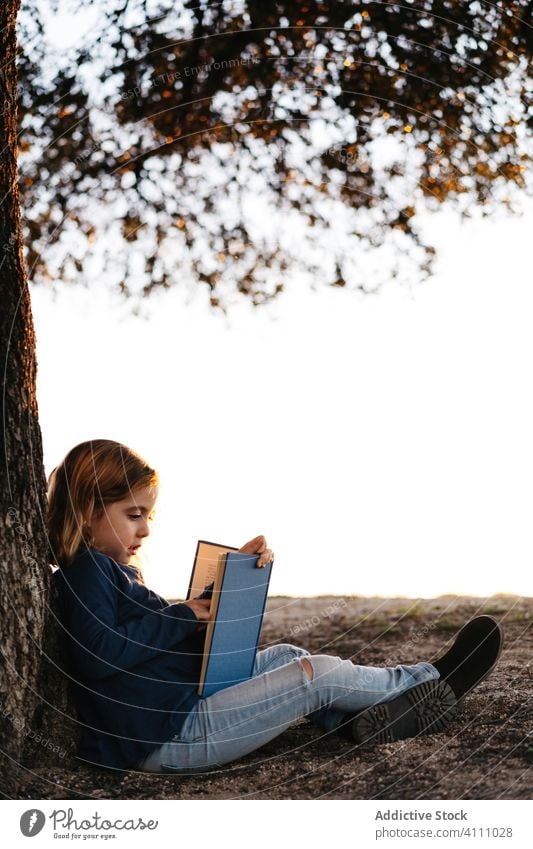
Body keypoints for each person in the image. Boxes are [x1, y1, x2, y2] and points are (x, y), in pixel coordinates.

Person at [48, 439, 503, 774]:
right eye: (134, 514)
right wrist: (187, 614)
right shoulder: (86, 570)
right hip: (170, 735)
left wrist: (233, 576)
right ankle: (432, 678)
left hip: (180, 711)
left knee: (287, 655)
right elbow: (100, 654)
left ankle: (353, 721)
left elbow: (150, 637)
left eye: (149, 516)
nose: (145, 529)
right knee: (315, 674)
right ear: (88, 508)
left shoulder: (110, 570)